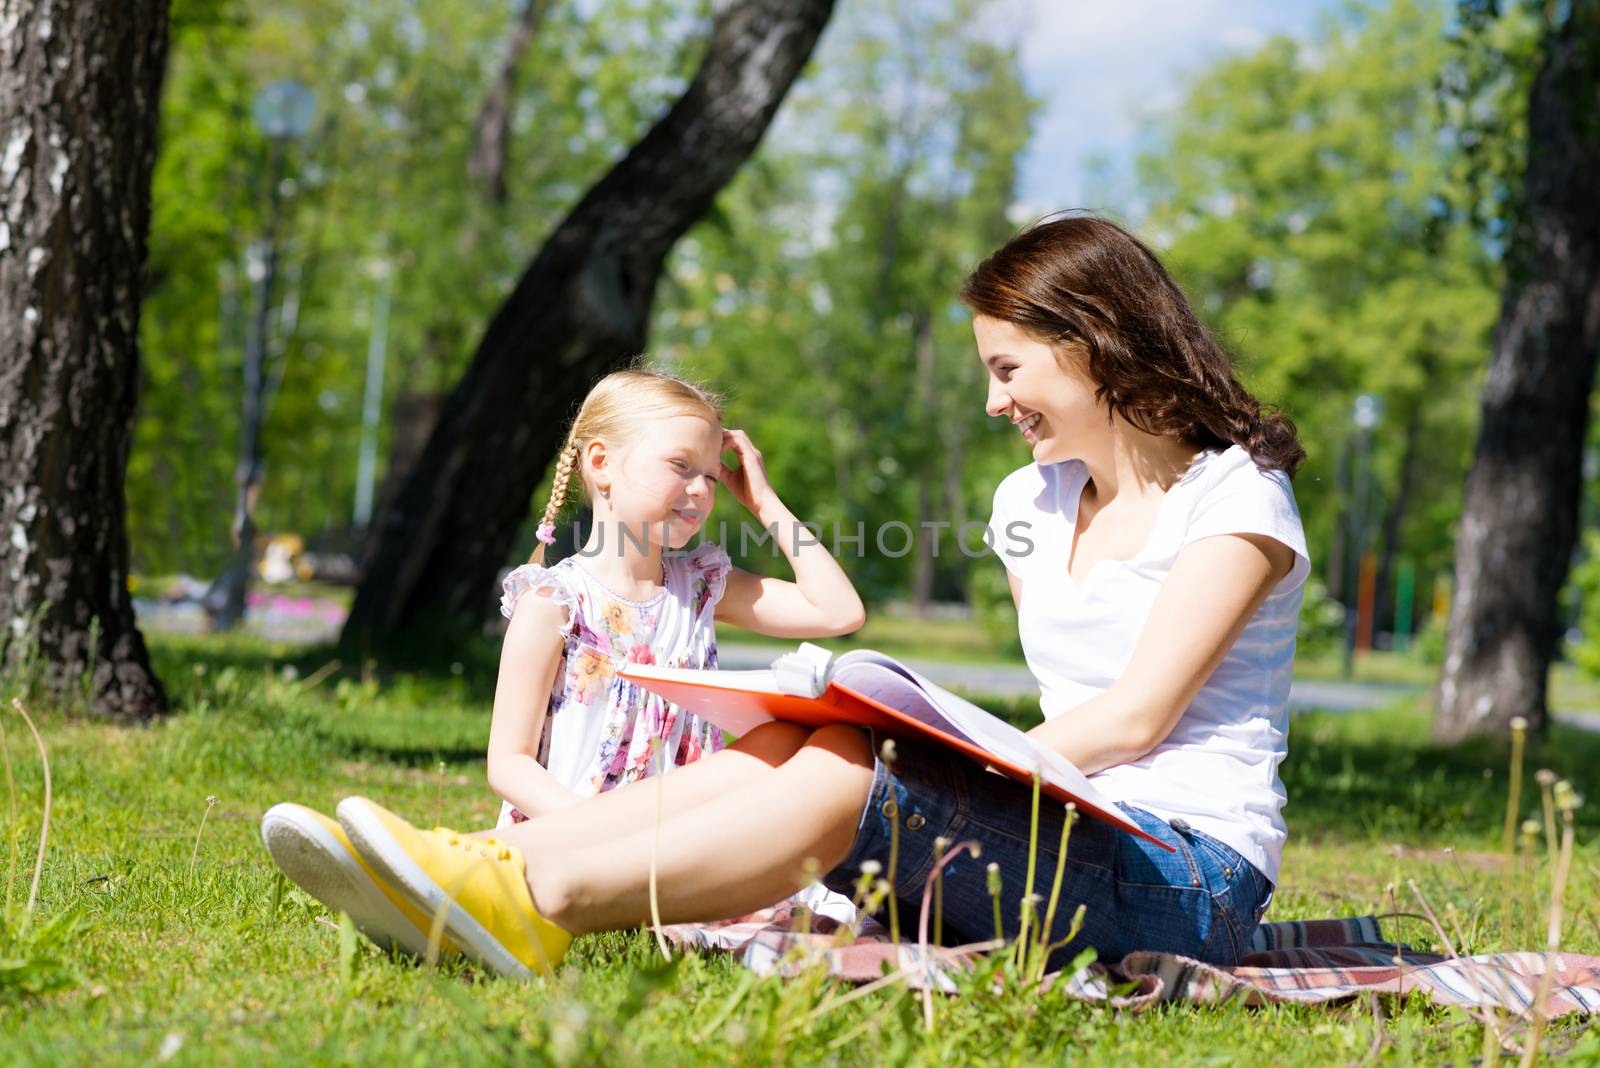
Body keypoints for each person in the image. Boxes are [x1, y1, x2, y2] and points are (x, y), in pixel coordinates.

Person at [266, 215, 1311, 980]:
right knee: (790, 741)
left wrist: (951, 755)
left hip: (1184, 874)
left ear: (1089, 340)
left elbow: (1135, 717)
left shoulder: (1236, 499)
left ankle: (545, 904)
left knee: (853, 765)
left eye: (1006, 368)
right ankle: (482, 864)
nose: (993, 401)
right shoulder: (1029, 501)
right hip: (1070, 823)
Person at [262, 368, 865, 958]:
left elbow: (837, 610)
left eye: (711, 474)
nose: (703, 489)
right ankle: (414, 876)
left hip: (679, 841)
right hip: (569, 833)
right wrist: (603, 828)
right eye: (681, 466)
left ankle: (419, 877)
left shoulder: (702, 586)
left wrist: (766, 503)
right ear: (600, 463)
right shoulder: (553, 601)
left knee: (787, 784)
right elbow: (509, 762)